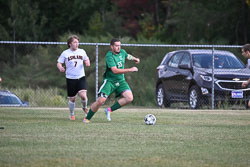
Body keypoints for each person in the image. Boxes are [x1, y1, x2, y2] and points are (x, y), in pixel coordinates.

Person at [84, 38, 140, 123]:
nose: (118, 47)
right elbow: (115, 70)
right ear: (111, 46)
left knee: (129, 98)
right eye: (116, 46)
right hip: (110, 82)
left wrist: (135, 59)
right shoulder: (109, 55)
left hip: (121, 81)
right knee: (101, 101)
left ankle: (109, 110)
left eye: (119, 45)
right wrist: (130, 69)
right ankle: (87, 118)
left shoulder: (122, 52)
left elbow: (127, 56)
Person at [57, 35, 90, 120]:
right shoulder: (65, 53)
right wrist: (60, 67)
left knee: (83, 95)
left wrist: (87, 62)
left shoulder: (82, 51)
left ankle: (85, 108)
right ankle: (72, 113)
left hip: (81, 77)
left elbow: (86, 59)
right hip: (70, 78)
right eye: (74, 42)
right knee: (73, 98)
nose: (77, 44)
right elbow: (59, 63)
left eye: (77, 42)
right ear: (70, 44)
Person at [241, 44, 250, 108]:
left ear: (247, 52)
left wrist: (247, 82)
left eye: (243, 52)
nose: (242, 54)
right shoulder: (249, 60)